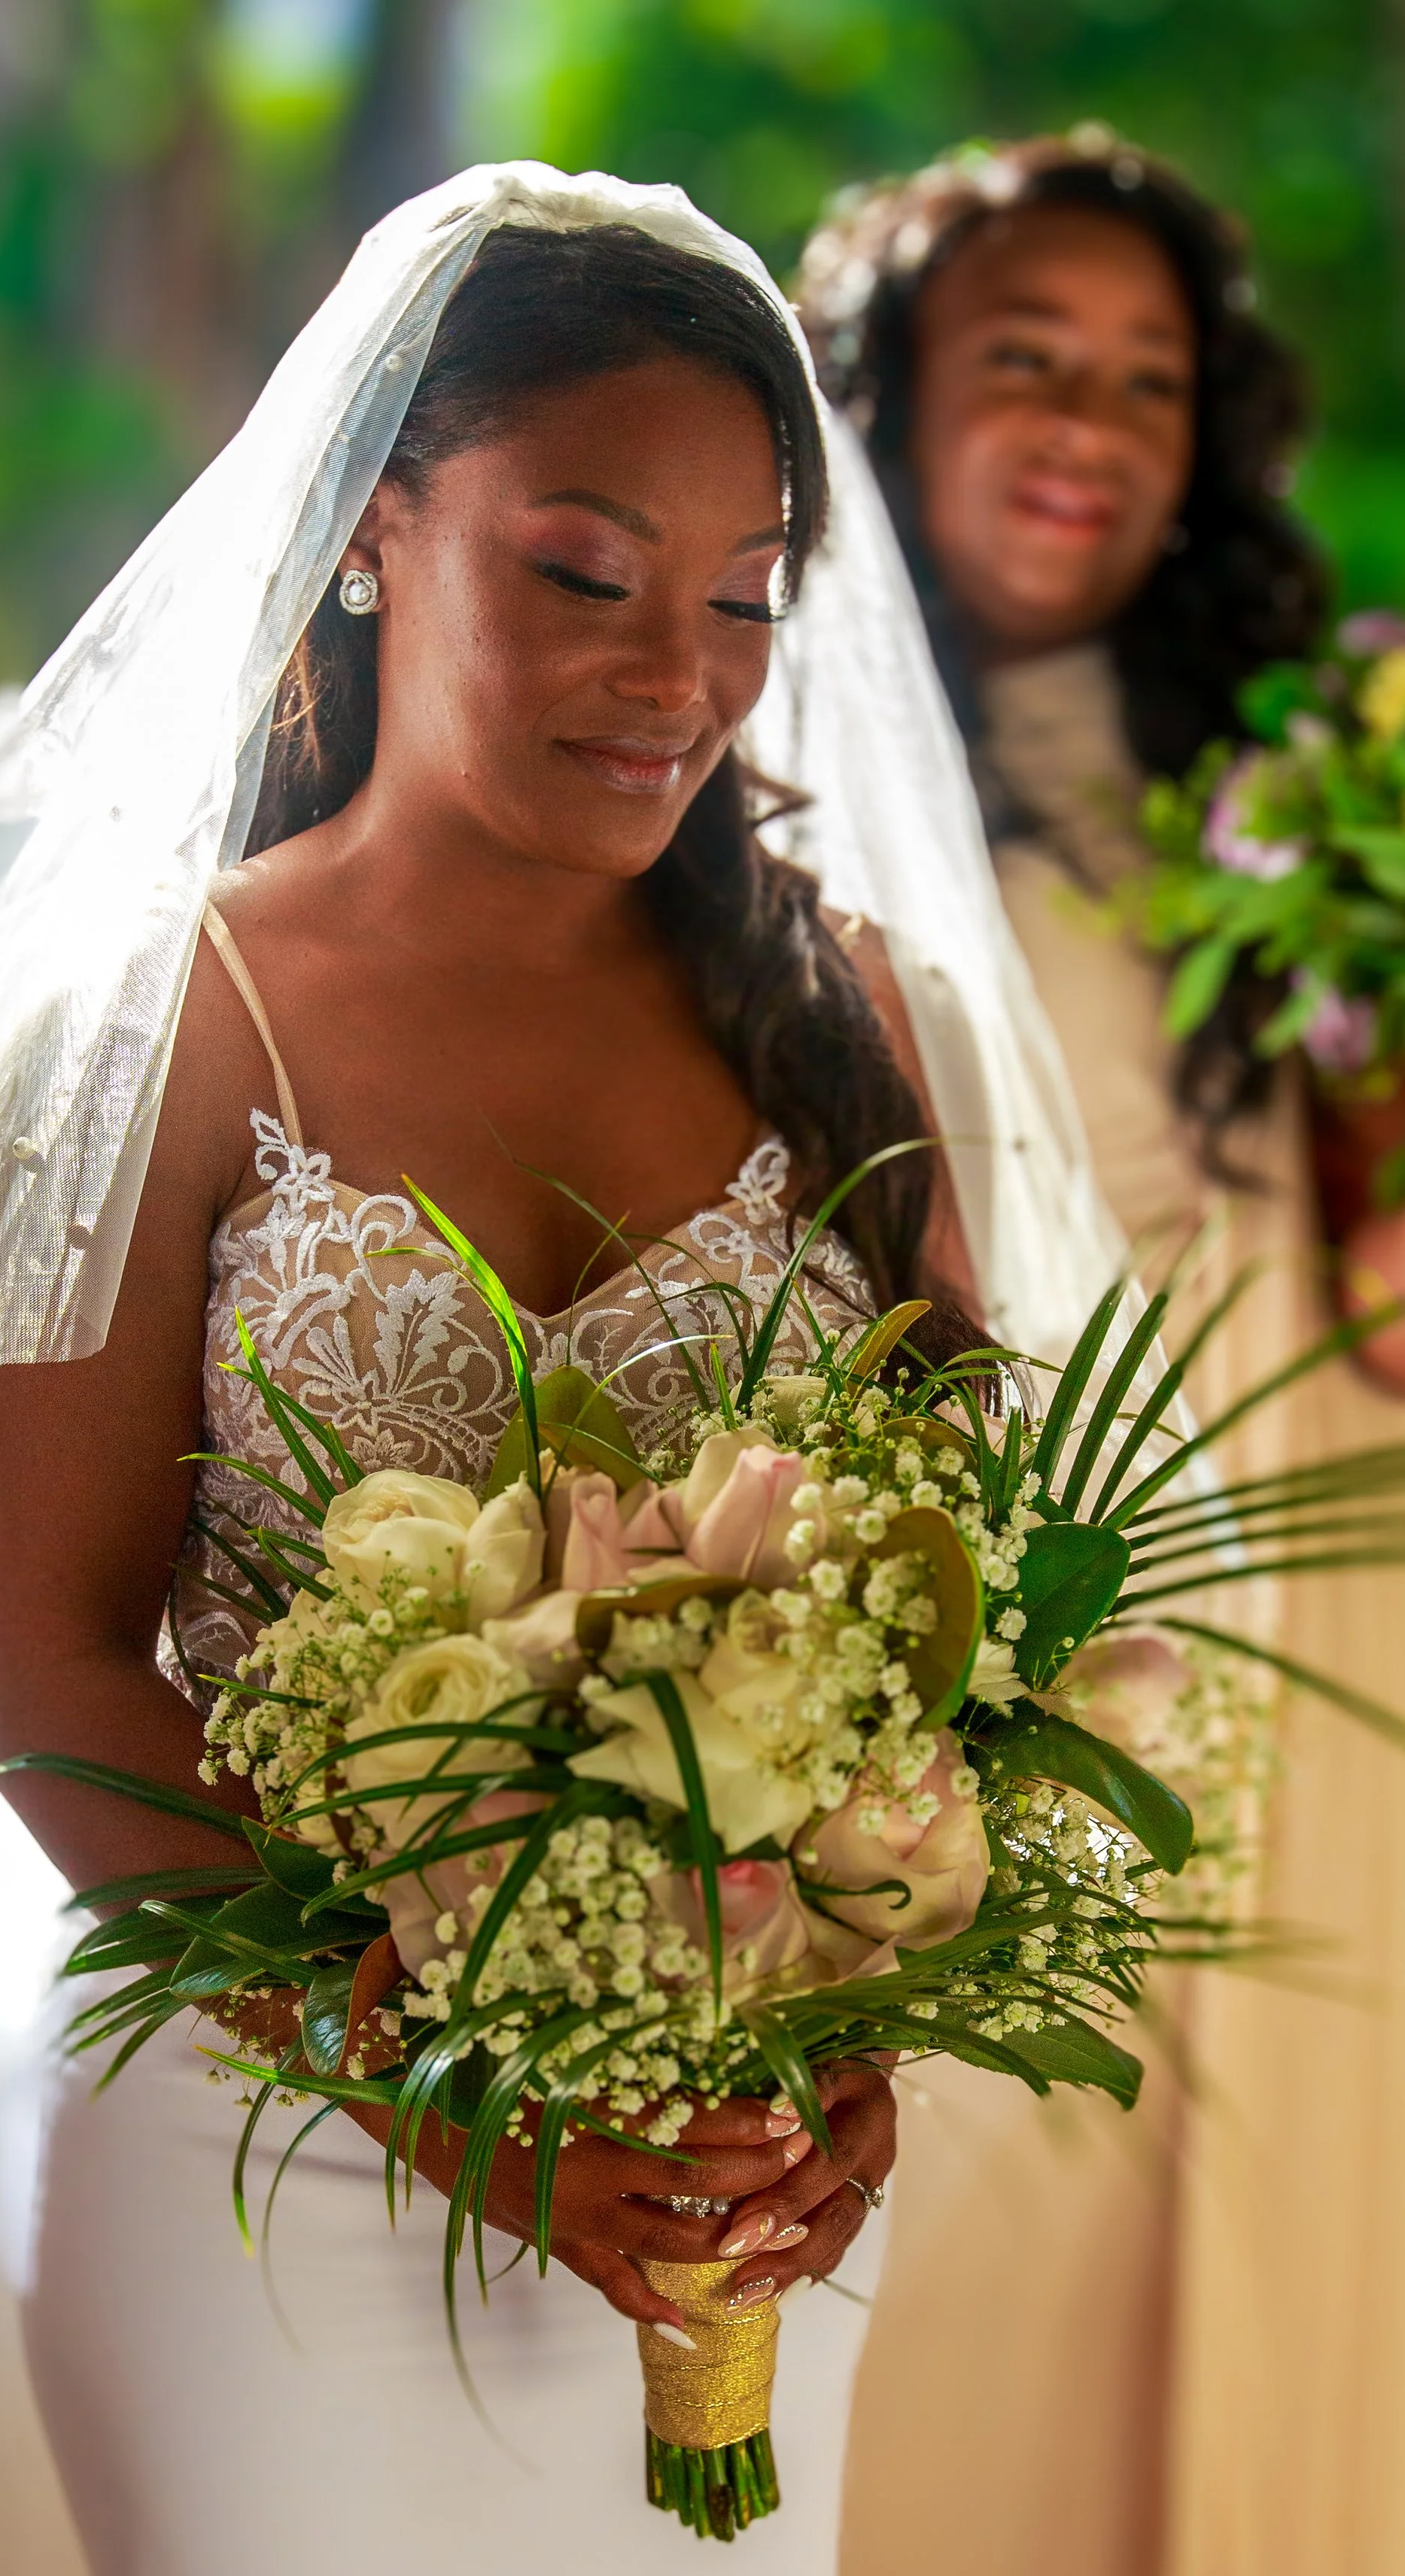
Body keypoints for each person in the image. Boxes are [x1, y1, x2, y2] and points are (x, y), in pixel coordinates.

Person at [0, 175, 1005, 2576]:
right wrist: (454, 2103)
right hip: (262, 2151)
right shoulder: (141, 1029)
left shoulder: (845, 1015)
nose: (677, 672)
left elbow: (956, 1621)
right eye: (581, 569)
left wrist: (851, 2053)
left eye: (742, 596)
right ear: (370, 529)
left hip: (726, 2186)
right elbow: (47, 1667)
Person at [789, 130, 1405, 2575]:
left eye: (1147, 380)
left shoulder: (1288, 761)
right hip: (1024, 1574)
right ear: (886, 401)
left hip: (1338, 1546)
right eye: (1022, 359)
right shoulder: (766, 778)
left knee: (1326, 2167)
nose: (1090, 422)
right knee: (1013, 2214)